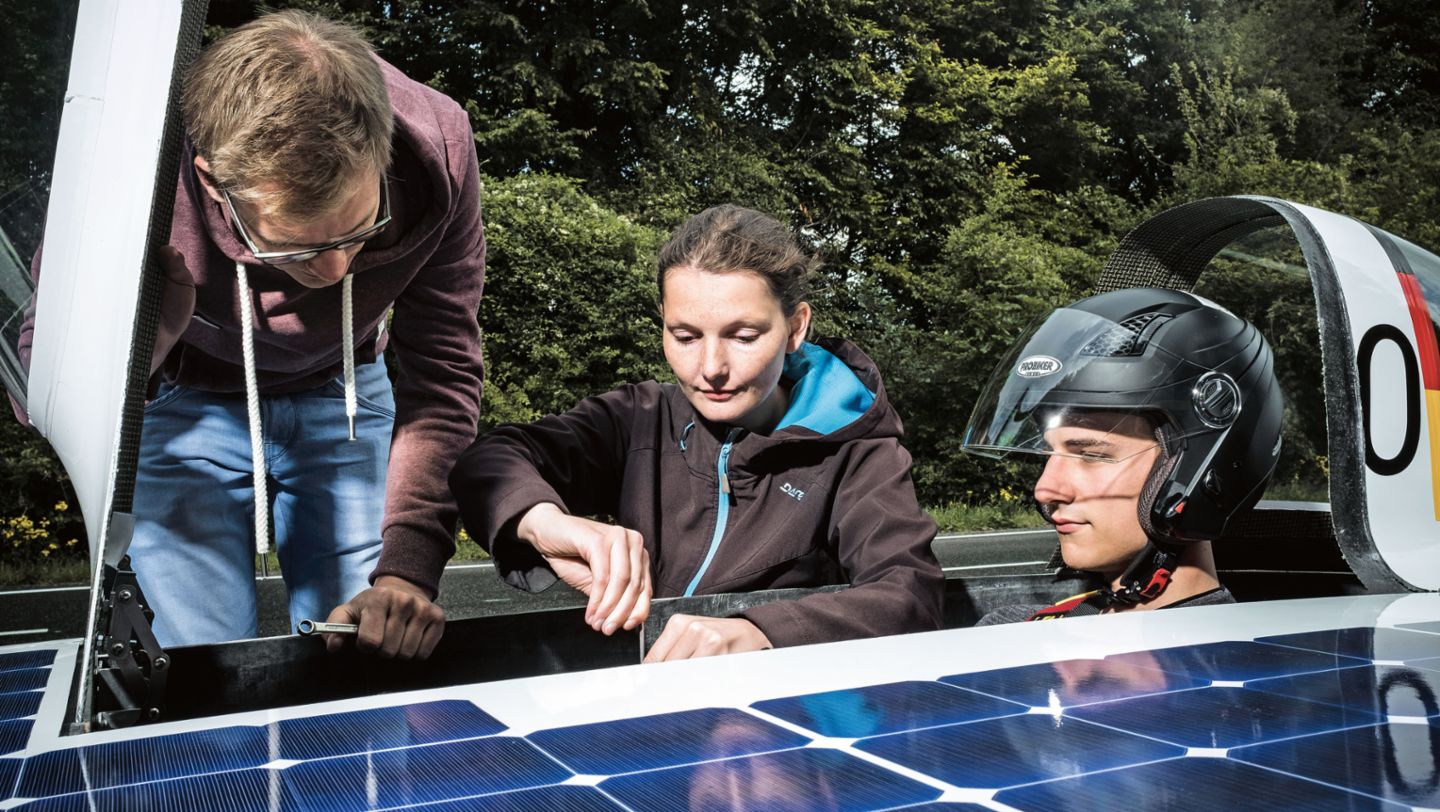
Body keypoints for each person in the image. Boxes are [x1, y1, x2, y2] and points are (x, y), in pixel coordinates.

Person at [105, 10, 483, 656]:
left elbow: (443, 373)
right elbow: (43, 382)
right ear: (213, 183)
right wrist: (147, 346)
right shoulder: (138, 162)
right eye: (298, 250)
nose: (338, 272)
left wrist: (404, 572)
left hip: (348, 390)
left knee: (364, 656)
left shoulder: (441, 150)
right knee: (205, 671)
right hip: (185, 396)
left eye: (360, 228)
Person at [450, 204, 943, 660]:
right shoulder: (638, 416)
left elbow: (909, 592)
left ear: (796, 328)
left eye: (744, 336)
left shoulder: (858, 449)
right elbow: (491, 460)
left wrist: (762, 632)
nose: (711, 368)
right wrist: (543, 522)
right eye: (685, 337)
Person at [961, 287, 1284, 624]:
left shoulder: (1234, 662)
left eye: (1091, 456)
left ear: (1199, 472)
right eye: (1048, 454)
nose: (1045, 489)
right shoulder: (1013, 628)